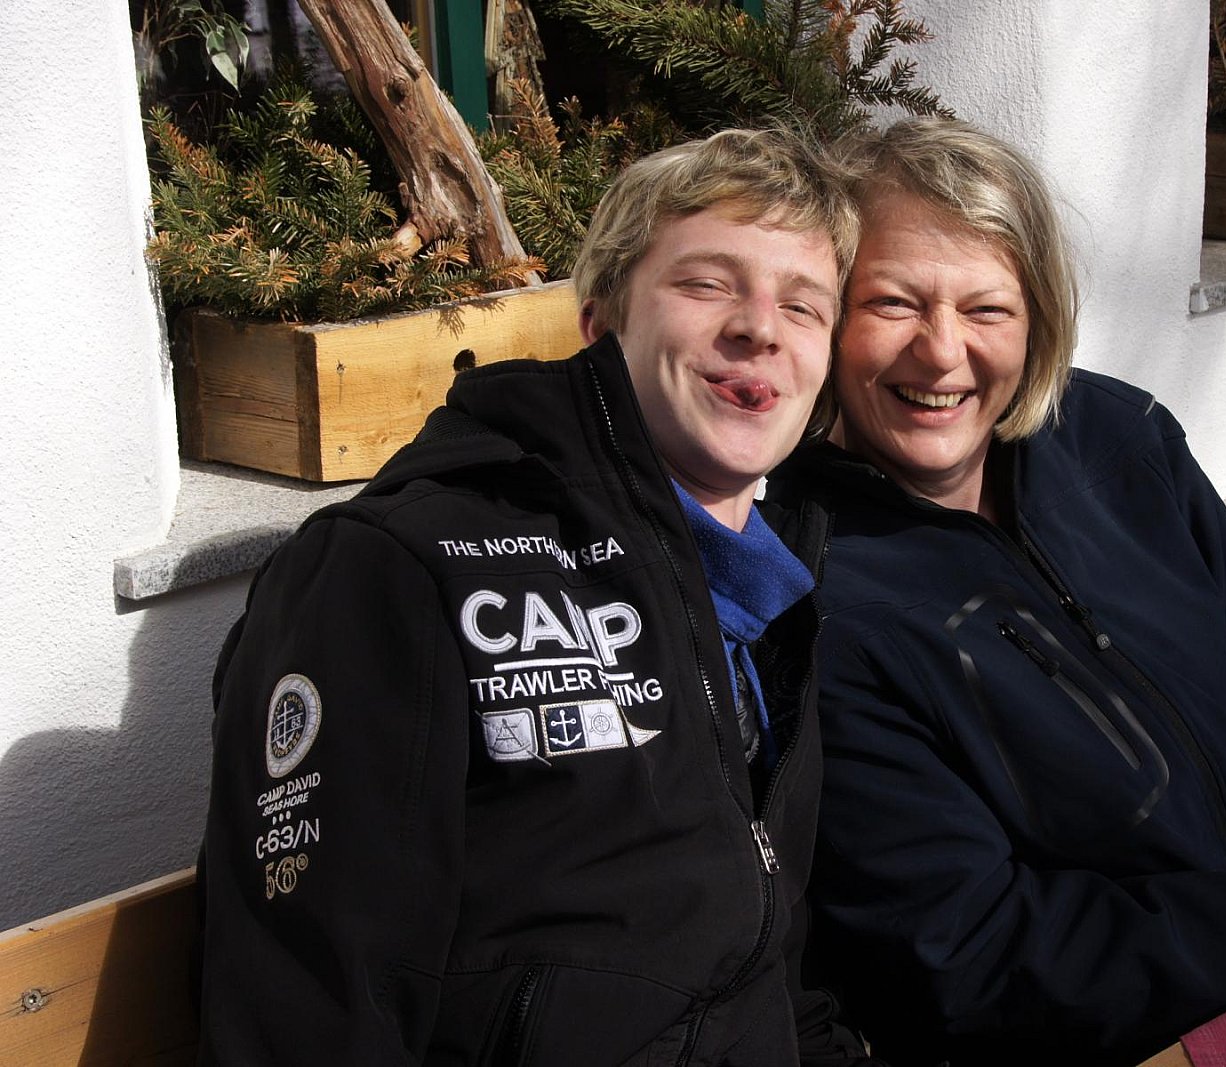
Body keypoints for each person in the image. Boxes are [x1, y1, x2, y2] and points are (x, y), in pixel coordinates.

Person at [766, 118, 1226, 1066]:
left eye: (987, 308)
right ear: (826, 318)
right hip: (1155, 1033)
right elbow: (968, 944)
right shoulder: (814, 596)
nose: (941, 352)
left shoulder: (1112, 435)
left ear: (1038, 318)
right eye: (894, 303)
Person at [197, 126, 879, 1066]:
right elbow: (308, 1008)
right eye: (707, 283)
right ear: (601, 326)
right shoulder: (402, 564)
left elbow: (770, 973)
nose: (760, 326)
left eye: (802, 306)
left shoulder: (773, 595)